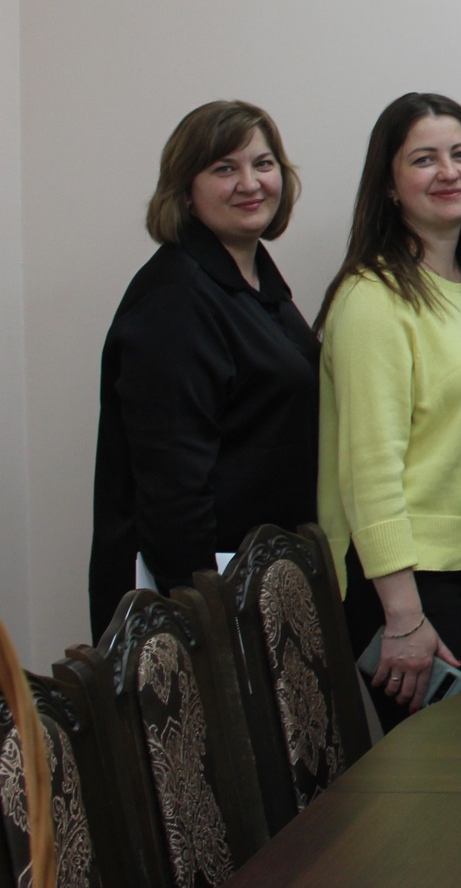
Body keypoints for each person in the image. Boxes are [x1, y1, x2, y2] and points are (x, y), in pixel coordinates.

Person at [317, 93, 461, 725]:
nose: (448, 172)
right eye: (424, 159)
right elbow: (369, 470)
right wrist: (403, 616)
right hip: (407, 583)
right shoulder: (372, 298)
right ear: (388, 184)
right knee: (454, 770)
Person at [90, 101, 317, 637]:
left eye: (263, 164)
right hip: (198, 607)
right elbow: (173, 491)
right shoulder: (175, 298)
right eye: (224, 168)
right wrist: (211, 620)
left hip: (256, 583)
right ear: (185, 190)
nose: (250, 183)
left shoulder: (258, 283)